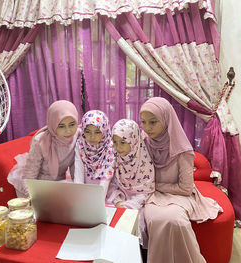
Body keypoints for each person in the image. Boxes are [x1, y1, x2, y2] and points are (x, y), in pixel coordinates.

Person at [139, 97, 223, 263]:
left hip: (180, 196)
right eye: (143, 122)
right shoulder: (143, 141)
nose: (147, 128)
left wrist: (154, 186)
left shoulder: (182, 149)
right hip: (152, 196)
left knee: (175, 221)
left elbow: (185, 189)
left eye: (153, 122)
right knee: (155, 219)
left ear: (166, 119)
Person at [7, 100, 79, 198]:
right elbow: (30, 174)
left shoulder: (78, 136)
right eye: (61, 126)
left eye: (72, 124)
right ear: (53, 124)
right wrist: (32, 196)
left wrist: (79, 191)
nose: (68, 130)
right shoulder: (41, 141)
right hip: (38, 184)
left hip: (60, 183)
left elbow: (76, 167)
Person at [106, 119, 155, 248]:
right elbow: (112, 184)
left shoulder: (144, 161)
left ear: (133, 141)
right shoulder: (115, 157)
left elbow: (146, 191)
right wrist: (117, 201)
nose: (118, 147)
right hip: (118, 199)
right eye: (115, 142)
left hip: (138, 202)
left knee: (133, 220)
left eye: (123, 142)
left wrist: (128, 204)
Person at [74, 110, 114, 196]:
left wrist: (98, 199)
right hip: (85, 188)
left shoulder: (110, 146)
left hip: (105, 190)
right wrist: (78, 196)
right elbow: (78, 172)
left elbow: (106, 177)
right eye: (88, 131)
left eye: (97, 132)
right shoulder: (80, 144)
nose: (92, 136)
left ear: (104, 130)